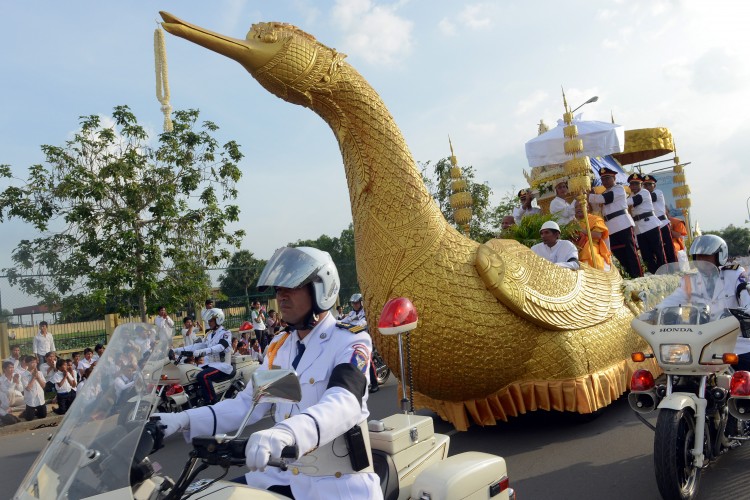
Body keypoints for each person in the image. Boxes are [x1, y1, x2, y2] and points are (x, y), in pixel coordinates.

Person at [154, 246, 380, 499]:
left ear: (321, 288)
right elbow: (246, 404)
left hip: (335, 485)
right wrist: (183, 420)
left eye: (291, 287)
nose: (281, 297)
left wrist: (288, 432)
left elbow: (345, 402)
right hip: (282, 476)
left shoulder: (349, 340)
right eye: (278, 290)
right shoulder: (280, 345)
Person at [658, 235, 750, 366]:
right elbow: (673, 299)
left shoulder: (734, 275)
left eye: (707, 256)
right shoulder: (690, 280)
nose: (702, 260)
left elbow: (745, 293)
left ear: (719, 256)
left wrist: (747, 309)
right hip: (701, 341)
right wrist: (656, 311)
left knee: (744, 375)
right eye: (698, 257)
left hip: (734, 341)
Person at [588, 167, 643, 278]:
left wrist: (588, 195)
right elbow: (597, 208)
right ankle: (630, 277)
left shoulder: (618, 189)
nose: (605, 181)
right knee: (619, 254)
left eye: (608, 178)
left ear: (614, 178)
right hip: (610, 226)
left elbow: (604, 199)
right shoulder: (603, 193)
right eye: (603, 179)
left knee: (631, 253)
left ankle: (638, 277)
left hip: (623, 224)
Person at [174, 308, 234, 405]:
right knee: (191, 373)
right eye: (209, 320)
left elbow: (220, 347)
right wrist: (176, 350)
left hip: (222, 365)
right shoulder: (209, 334)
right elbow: (196, 346)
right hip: (210, 364)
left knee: (203, 376)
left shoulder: (225, 333)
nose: (209, 323)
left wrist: (203, 352)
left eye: (211, 320)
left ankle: (211, 402)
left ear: (218, 320)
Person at [627, 173, 666, 274]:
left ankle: (664, 272)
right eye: (632, 184)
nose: (634, 186)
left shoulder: (644, 193)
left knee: (658, 251)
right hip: (639, 228)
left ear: (641, 185)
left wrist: (618, 200)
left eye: (636, 184)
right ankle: (653, 274)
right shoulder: (630, 196)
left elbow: (634, 201)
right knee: (646, 254)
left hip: (650, 225)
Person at [342, 293, 378, 393]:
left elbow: (361, 324)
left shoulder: (365, 312)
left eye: (356, 303)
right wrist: (336, 323)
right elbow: (344, 321)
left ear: (361, 302)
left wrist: (349, 326)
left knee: (367, 360)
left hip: (365, 339)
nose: (355, 305)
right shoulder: (352, 314)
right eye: (353, 303)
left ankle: (375, 384)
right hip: (354, 340)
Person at [642, 174, 677, 264]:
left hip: (662, 224)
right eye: (645, 185)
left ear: (655, 185)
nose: (647, 187)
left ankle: (674, 267)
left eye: (650, 184)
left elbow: (651, 198)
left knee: (668, 247)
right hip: (651, 225)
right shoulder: (642, 196)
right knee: (657, 248)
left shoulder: (658, 192)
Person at [573, 200, 612, 271]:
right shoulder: (573, 224)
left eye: (580, 206)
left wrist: (581, 229)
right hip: (578, 248)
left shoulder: (595, 219)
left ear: (587, 208)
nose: (578, 208)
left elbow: (597, 235)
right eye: (576, 207)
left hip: (593, 245)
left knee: (588, 250)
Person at [21, 356, 47, 421]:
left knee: (43, 416)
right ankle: (25, 413)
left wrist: (38, 377)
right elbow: (28, 388)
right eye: (32, 362)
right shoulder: (24, 375)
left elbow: (43, 386)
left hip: (40, 398)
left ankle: (34, 412)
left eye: (35, 362)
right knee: (29, 418)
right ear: (27, 364)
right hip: (31, 399)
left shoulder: (40, 373)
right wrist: (33, 377)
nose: (34, 364)